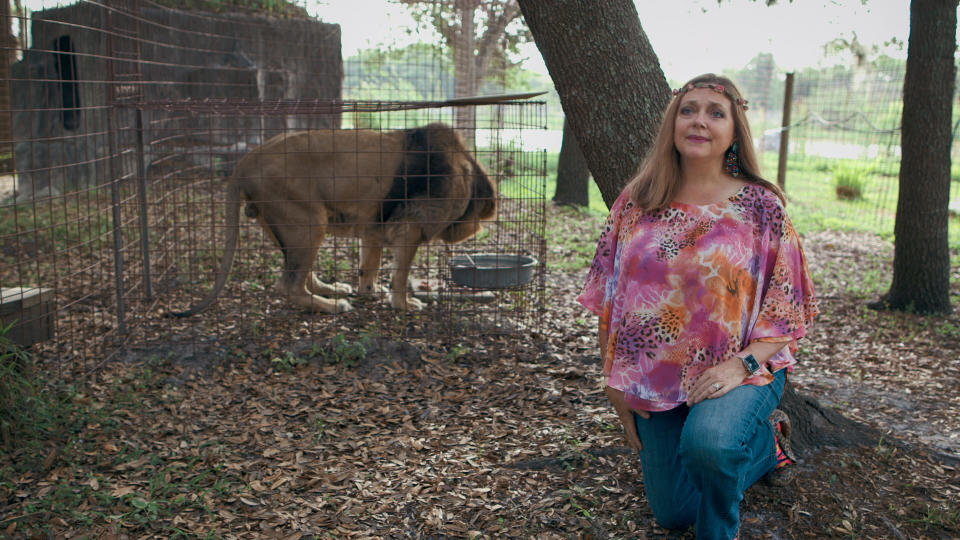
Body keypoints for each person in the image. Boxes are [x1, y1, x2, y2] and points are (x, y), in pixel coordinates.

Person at [577, 74, 819, 540]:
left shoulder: (761, 206)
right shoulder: (639, 200)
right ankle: (766, 450)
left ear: (734, 130)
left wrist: (740, 365)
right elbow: (610, 295)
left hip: (742, 367)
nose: (699, 121)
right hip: (654, 374)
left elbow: (787, 308)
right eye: (688, 110)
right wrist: (612, 379)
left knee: (709, 445)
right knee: (672, 512)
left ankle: (720, 524)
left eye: (715, 112)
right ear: (673, 123)